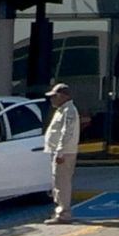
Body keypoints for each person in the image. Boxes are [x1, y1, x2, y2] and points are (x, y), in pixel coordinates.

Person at [43, 82, 80, 224]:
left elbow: (67, 132)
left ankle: (64, 214)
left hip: (64, 153)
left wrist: (60, 152)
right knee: (58, 182)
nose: (52, 99)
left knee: (62, 183)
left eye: (54, 96)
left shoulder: (68, 111)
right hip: (60, 152)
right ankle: (61, 211)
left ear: (63, 96)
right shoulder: (62, 110)